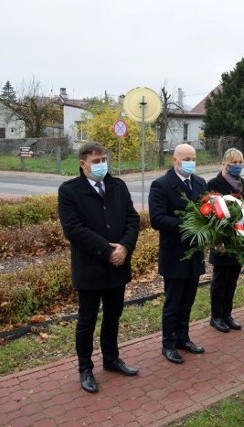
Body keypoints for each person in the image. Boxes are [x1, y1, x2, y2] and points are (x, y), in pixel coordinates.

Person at [58, 141, 140, 394]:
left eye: (104, 160)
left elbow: (132, 219)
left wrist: (124, 247)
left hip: (118, 266)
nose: (101, 165)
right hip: (90, 268)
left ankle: (111, 359)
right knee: (87, 320)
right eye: (96, 161)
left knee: (113, 316)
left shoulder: (118, 186)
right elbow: (73, 229)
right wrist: (108, 251)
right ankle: (85, 368)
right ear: (83, 164)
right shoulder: (69, 191)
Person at [149, 143, 207, 364]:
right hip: (174, 254)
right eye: (185, 158)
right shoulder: (161, 185)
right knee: (173, 303)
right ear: (174, 160)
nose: (190, 162)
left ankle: (183, 337)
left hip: (194, 254)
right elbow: (157, 219)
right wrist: (189, 225)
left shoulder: (200, 183)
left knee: (188, 300)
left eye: (193, 158)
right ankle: (168, 344)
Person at [206, 148, 244, 333]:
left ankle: (227, 314)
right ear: (225, 163)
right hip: (222, 241)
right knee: (220, 279)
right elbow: (208, 213)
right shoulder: (214, 184)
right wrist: (218, 239)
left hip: (238, 240)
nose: (238, 166)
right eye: (234, 162)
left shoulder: (243, 184)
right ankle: (216, 316)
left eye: (240, 163)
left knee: (233, 278)